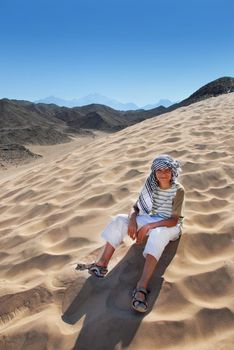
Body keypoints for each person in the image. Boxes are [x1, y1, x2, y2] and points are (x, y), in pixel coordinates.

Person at [76, 154, 185, 313]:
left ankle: (142, 287)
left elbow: (174, 220)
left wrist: (148, 227)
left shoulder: (178, 190)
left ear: (172, 171)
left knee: (157, 234)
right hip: (149, 218)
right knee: (120, 220)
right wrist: (133, 219)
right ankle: (102, 264)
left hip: (167, 224)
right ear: (154, 172)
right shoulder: (150, 185)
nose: (162, 173)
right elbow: (135, 208)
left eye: (166, 170)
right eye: (158, 170)